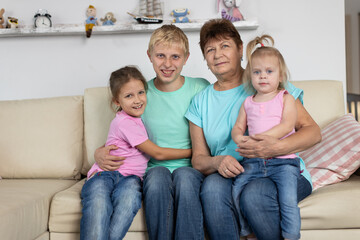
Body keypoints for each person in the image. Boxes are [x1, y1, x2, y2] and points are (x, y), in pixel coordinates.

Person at [185, 19, 321, 240]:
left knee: (255, 194)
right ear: (205, 59)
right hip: (237, 172)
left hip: (281, 168)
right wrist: (217, 161)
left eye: (225, 46)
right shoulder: (200, 101)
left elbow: (314, 132)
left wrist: (274, 147)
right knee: (211, 189)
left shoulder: (268, 83)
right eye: (210, 50)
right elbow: (198, 159)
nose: (217, 54)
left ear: (241, 50)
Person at [93, 25, 209, 240]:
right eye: (160, 56)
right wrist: (98, 152)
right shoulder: (139, 94)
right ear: (149, 56)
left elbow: (215, 128)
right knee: (156, 179)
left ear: (186, 58)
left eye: (175, 56)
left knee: (185, 178)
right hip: (154, 167)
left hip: (192, 167)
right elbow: (121, 130)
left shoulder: (199, 88)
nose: (167, 64)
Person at [80, 66, 193, 240]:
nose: (137, 100)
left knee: (128, 203)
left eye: (141, 92)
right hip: (105, 175)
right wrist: (193, 152)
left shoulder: (135, 120)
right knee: (98, 205)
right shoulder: (125, 123)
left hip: (131, 180)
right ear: (117, 101)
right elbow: (158, 153)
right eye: (129, 96)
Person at [231, 35, 301, 240]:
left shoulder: (285, 97)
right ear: (250, 76)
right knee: (236, 190)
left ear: (280, 75)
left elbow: (288, 125)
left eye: (269, 72)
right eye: (257, 72)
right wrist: (240, 139)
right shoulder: (248, 102)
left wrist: (260, 138)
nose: (263, 77)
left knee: (288, 199)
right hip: (253, 162)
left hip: (283, 163)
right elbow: (237, 128)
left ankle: (291, 235)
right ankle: (247, 230)